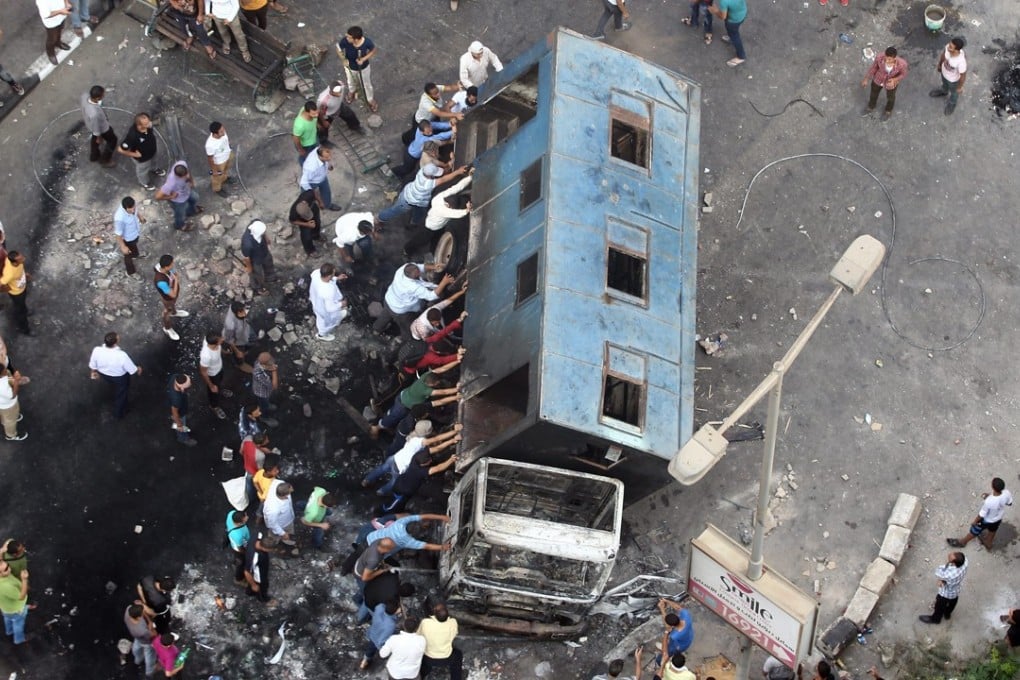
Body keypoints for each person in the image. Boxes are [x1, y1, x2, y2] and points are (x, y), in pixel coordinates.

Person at [362, 422, 461, 496]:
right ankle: (380, 492)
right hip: (400, 468)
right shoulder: (420, 445)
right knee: (392, 483)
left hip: (394, 458)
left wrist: (452, 439)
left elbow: (436, 445)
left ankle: (366, 480)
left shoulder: (413, 439)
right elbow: (436, 442)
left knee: (381, 469)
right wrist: (454, 433)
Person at [373, 262, 456, 339]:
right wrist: (444, 282)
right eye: (418, 273)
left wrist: (434, 267)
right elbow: (432, 296)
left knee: (385, 316)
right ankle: (406, 341)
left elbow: (420, 267)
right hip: (401, 311)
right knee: (407, 327)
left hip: (389, 299)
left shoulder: (404, 269)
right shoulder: (412, 287)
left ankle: (376, 330)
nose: (420, 272)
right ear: (413, 277)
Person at [378, 164, 470, 230]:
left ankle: (414, 222)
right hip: (408, 201)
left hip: (411, 194)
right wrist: (458, 172)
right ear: (430, 176)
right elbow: (443, 179)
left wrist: (448, 165)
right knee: (394, 210)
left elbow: (435, 168)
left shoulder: (422, 171)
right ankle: (379, 218)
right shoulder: (428, 184)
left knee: (419, 211)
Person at [372, 369, 461, 436]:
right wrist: (457, 389)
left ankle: (387, 419)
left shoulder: (426, 375)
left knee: (393, 413)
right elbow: (443, 393)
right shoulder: (426, 390)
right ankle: (378, 427)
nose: (437, 384)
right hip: (403, 405)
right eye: (435, 384)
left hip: (403, 395)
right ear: (430, 385)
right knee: (394, 416)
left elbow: (440, 369)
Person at [405, 172, 472, 256]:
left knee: (437, 238)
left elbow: (457, 187)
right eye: (452, 207)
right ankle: (407, 250)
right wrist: (467, 210)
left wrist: (470, 178)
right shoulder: (443, 210)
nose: (452, 208)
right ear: (447, 205)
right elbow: (456, 214)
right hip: (430, 227)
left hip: (439, 224)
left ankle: (433, 252)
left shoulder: (442, 196)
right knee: (421, 240)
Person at [382, 449, 459, 513]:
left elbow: (434, 449)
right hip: (407, 489)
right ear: (422, 465)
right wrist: (451, 460)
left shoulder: (416, 457)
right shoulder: (419, 471)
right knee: (436, 493)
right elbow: (438, 468)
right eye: (428, 461)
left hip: (402, 479)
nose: (430, 461)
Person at [947, 477, 1013, 550]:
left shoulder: (988, 502)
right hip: (998, 518)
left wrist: (975, 522)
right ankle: (988, 543)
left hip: (987, 520)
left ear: (992, 487)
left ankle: (963, 542)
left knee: (975, 530)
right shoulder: (1006, 493)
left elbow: (981, 514)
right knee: (993, 530)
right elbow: (1009, 503)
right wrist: (991, 496)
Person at [89, 331, 142, 419]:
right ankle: (119, 413)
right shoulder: (122, 355)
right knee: (121, 394)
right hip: (120, 377)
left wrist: (93, 372)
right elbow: (131, 369)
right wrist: (138, 369)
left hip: (105, 374)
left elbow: (93, 363)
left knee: (113, 384)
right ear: (115, 342)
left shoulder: (97, 350)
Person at [391, 120, 455, 180]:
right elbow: (439, 137)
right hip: (411, 156)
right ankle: (392, 172)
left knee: (408, 168)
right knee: (407, 169)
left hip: (411, 147)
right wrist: (452, 132)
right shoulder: (426, 140)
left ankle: (398, 174)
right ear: (422, 132)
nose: (431, 132)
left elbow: (437, 125)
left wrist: (449, 124)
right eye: (428, 132)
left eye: (431, 129)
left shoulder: (422, 127)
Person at [118, 113, 165, 190]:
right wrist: (135, 154)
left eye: (149, 121)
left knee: (154, 161)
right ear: (139, 125)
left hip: (152, 152)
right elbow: (121, 149)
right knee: (143, 171)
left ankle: (154, 169)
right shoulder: (133, 136)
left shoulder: (148, 126)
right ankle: (145, 183)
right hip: (142, 159)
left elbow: (150, 124)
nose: (150, 124)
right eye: (146, 123)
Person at [336, 26, 378, 112]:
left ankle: (370, 99)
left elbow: (373, 50)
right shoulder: (345, 41)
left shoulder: (367, 42)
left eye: (349, 37)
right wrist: (343, 59)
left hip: (363, 68)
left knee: (366, 84)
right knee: (350, 81)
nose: (346, 38)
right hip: (350, 67)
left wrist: (363, 59)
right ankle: (352, 91)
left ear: (356, 39)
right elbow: (338, 49)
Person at [365, 512, 452, 554]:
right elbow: (427, 546)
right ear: (412, 535)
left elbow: (423, 516)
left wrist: (442, 517)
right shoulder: (407, 541)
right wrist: (443, 547)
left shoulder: (401, 522)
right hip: (375, 549)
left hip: (371, 536)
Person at [919, 551, 968, 624]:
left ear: (954, 564)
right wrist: (942, 580)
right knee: (953, 601)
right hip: (955, 590)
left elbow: (938, 572)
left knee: (939, 605)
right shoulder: (965, 562)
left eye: (950, 559)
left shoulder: (950, 574)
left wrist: (941, 580)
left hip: (946, 592)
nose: (949, 555)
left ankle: (935, 619)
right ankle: (947, 614)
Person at [418, 602, 463, 680]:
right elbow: (455, 634)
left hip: (428, 658)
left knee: (421, 659)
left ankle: (422, 674)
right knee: (458, 655)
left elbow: (418, 635)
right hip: (446, 658)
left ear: (434, 613)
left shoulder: (425, 623)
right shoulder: (453, 622)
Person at [861, 47, 908, 119]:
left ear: (894, 58)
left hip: (890, 83)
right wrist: (866, 79)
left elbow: (903, 74)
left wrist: (895, 79)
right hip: (878, 79)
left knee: (891, 98)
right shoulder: (879, 57)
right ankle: (871, 107)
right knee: (873, 94)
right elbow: (874, 68)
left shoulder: (902, 64)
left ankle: (888, 111)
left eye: (889, 59)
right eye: (885, 58)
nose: (886, 61)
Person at [154, 161, 202, 231]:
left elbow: (188, 173)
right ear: (178, 176)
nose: (187, 176)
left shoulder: (182, 164)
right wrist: (171, 197)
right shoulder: (171, 183)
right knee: (180, 215)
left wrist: (191, 181)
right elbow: (157, 196)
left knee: (195, 198)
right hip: (179, 200)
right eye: (184, 176)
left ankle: (191, 211)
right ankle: (179, 225)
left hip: (187, 191)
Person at [309, 264, 348, 341]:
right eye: (333, 273)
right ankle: (322, 335)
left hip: (316, 301)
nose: (334, 273)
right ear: (329, 276)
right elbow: (330, 308)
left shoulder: (316, 273)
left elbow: (325, 278)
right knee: (328, 323)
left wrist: (337, 278)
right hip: (324, 310)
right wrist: (342, 304)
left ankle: (322, 330)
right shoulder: (327, 291)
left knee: (320, 318)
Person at [380, 616, 427, 680]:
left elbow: (382, 654)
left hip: (395, 673)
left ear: (403, 626)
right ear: (416, 629)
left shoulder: (394, 639)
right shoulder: (422, 640)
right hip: (412, 673)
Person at [300, 144, 344, 212]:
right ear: (319, 156)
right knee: (307, 197)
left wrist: (328, 165)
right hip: (312, 182)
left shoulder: (320, 149)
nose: (329, 158)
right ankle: (306, 209)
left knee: (327, 193)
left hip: (322, 177)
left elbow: (326, 158)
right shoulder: (311, 167)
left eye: (329, 156)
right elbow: (304, 182)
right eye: (326, 158)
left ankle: (327, 205)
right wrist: (319, 201)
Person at [154, 254, 188, 341]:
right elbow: (172, 294)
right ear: (165, 267)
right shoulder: (161, 281)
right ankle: (167, 328)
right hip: (168, 298)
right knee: (166, 312)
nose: (173, 265)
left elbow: (172, 272)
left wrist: (173, 276)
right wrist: (176, 280)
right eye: (171, 264)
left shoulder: (161, 267)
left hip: (171, 296)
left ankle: (174, 312)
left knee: (172, 305)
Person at [199, 332, 233, 420]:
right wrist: (211, 386)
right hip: (213, 375)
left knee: (219, 383)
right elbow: (203, 372)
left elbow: (219, 348)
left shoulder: (212, 342)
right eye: (221, 339)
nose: (223, 339)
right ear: (216, 343)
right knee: (213, 392)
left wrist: (225, 352)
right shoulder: (206, 356)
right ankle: (214, 407)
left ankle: (220, 390)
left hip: (219, 369)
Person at [81, 85, 117, 166]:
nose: (104, 96)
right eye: (102, 95)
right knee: (112, 141)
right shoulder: (94, 114)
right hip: (103, 128)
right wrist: (99, 137)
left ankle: (94, 155)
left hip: (89, 123)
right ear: (97, 98)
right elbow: (96, 128)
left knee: (94, 140)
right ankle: (105, 160)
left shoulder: (84, 96)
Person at [930, 37, 967, 116]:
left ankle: (952, 103)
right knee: (944, 84)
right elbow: (943, 55)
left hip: (953, 81)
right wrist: (940, 65)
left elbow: (963, 76)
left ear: (956, 50)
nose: (948, 47)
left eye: (951, 47)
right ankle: (944, 91)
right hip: (944, 74)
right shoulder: (948, 47)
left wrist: (959, 87)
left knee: (954, 93)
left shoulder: (961, 62)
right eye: (949, 44)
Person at [361, 599, 401, 670]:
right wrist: (382, 648)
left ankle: (364, 661)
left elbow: (382, 605)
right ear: (395, 611)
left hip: (373, 631)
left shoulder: (380, 607)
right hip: (378, 639)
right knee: (373, 647)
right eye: (398, 608)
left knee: (370, 648)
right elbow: (382, 640)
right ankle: (366, 661)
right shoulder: (391, 625)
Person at [113, 196, 147, 275]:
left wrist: (140, 217)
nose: (133, 210)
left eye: (134, 207)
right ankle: (131, 272)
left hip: (134, 234)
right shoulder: (119, 218)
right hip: (127, 239)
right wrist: (123, 246)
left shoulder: (132, 206)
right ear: (125, 208)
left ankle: (135, 254)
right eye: (131, 209)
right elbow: (118, 234)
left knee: (134, 246)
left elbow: (136, 211)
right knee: (127, 255)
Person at [240, 220, 276, 295]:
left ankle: (270, 278)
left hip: (264, 251)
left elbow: (263, 232)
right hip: (256, 259)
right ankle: (259, 288)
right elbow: (246, 258)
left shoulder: (256, 223)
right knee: (257, 275)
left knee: (269, 263)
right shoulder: (247, 243)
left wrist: (266, 237)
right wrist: (249, 268)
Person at [0, 251, 31, 335]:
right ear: (14, 263)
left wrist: (25, 274)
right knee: (20, 310)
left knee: (22, 304)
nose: (23, 258)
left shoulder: (10, 259)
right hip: (16, 293)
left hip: (22, 287)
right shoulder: (9, 274)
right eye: (21, 258)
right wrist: (5, 289)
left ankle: (26, 311)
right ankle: (25, 329)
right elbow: (1, 282)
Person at [709, 0, 747, 67]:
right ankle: (731, 38)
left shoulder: (724, 2)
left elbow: (723, 17)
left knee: (734, 36)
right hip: (742, 14)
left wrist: (715, 11)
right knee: (734, 32)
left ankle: (741, 56)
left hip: (733, 21)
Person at [0, 560, 29, 646]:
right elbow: (21, 596)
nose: (9, 568)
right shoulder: (5, 586)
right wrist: (24, 579)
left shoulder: (3, 578)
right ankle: (19, 639)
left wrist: (1, 552)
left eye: (8, 565)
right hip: (16, 611)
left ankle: (9, 631)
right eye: (6, 569)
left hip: (6, 609)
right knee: (18, 624)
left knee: (8, 618)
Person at [124, 603, 158, 677]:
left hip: (138, 639)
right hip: (147, 643)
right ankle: (150, 672)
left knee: (136, 651)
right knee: (150, 657)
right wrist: (151, 626)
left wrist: (149, 621)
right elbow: (153, 635)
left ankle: (138, 661)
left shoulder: (128, 610)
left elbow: (139, 611)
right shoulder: (142, 631)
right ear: (138, 617)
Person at [36, 0, 72, 65]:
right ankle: (50, 53)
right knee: (52, 39)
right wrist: (61, 11)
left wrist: (66, 3)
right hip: (52, 22)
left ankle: (58, 43)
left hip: (62, 16)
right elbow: (46, 14)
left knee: (60, 30)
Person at [289, 189, 323, 257]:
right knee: (306, 235)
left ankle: (316, 236)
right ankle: (310, 251)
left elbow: (314, 192)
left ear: (306, 203)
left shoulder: (307, 196)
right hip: (303, 221)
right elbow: (293, 221)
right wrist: (307, 224)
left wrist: (320, 202)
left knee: (317, 222)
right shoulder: (293, 212)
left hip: (313, 209)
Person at [244, 530, 274, 603]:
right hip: (259, 574)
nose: (272, 551)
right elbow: (247, 572)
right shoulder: (255, 557)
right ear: (264, 548)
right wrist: (254, 585)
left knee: (253, 587)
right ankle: (263, 599)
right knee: (262, 586)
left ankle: (249, 592)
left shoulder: (258, 534)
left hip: (261, 563)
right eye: (270, 550)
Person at [222, 301, 253, 372]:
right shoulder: (230, 325)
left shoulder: (235, 308)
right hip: (235, 340)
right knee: (239, 354)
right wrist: (237, 352)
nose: (245, 313)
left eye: (244, 310)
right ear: (236, 313)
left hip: (241, 332)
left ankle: (243, 352)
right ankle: (240, 364)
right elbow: (230, 340)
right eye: (241, 312)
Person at [167, 373, 197, 447]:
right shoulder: (176, 399)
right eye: (188, 385)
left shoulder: (175, 376)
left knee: (182, 414)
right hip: (179, 413)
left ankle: (184, 415)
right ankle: (183, 438)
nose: (190, 385)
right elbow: (175, 412)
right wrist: (179, 424)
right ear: (182, 387)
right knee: (181, 426)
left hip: (181, 405)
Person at [205, 121, 234, 195]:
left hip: (228, 155)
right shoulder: (210, 145)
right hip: (219, 162)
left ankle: (224, 178)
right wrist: (214, 170)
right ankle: (217, 189)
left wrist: (229, 147)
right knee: (217, 177)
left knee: (225, 170)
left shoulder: (223, 133)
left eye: (223, 129)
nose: (224, 131)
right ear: (215, 134)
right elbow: (210, 158)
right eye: (221, 131)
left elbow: (226, 140)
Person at [0, 364, 27, 442]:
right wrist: (16, 381)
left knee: (3, 415)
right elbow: (12, 395)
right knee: (10, 421)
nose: (6, 370)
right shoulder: (2, 387)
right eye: (5, 369)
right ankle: (11, 435)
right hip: (7, 406)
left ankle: (3, 421)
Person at [226, 510, 250, 585]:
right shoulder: (238, 535)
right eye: (245, 517)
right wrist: (246, 553)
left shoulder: (231, 513)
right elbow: (240, 548)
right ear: (240, 523)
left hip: (233, 541)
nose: (247, 517)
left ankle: (235, 561)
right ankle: (238, 579)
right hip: (239, 550)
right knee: (241, 564)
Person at [293, 100, 320, 165]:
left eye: (317, 112)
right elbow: (296, 139)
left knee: (316, 149)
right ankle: (305, 166)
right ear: (306, 112)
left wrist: (318, 125)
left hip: (314, 137)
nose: (316, 115)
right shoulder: (299, 125)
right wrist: (300, 150)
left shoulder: (306, 108)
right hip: (306, 145)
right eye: (313, 114)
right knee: (305, 156)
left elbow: (315, 120)